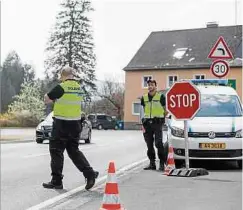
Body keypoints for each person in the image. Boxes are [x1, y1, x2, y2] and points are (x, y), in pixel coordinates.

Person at [43, 66, 98, 190]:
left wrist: (49, 95)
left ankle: (56, 180)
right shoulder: (79, 89)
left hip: (61, 124)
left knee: (56, 151)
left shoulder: (61, 87)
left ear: (62, 76)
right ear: (73, 76)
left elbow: (47, 100)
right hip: (75, 125)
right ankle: (90, 174)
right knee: (74, 151)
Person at [141, 79, 167, 171]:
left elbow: (165, 109)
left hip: (157, 123)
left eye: (152, 85)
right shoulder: (144, 98)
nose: (150, 86)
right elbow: (144, 109)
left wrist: (162, 119)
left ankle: (162, 163)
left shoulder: (161, 97)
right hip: (147, 123)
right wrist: (144, 121)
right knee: (149, 144)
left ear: (156, 86)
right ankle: (152, 163)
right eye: (148, 85)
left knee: (158, 143)